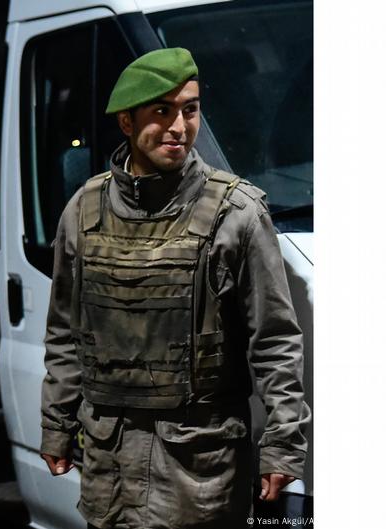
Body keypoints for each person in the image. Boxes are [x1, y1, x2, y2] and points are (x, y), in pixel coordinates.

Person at [39, 48, 311, 529]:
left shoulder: (237, 214)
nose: (179, 127)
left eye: (189, 109)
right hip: (111, 465)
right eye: (161, 111)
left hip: (198, 468)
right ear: (126, 121)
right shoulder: (82, 212)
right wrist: (57, 426)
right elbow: (66, 332)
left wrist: (284, 443)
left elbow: (274, 341)